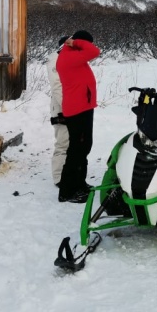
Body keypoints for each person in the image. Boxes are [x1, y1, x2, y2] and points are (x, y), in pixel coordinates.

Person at [56, 30, 100, 203]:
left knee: (83, 148)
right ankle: (67, 191)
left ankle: (79, 183)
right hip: (77, 110)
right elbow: (94, 51)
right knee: (76, 150)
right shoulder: (68, 56)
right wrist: (74, 42)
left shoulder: (74, 56)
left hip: (84, 107)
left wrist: (76, 44)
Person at [46, 35, 69, 187]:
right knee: (62, 142)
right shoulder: (55, 60)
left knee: (70, 143)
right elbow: (57, 86)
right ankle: (59, 178)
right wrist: (68, 107)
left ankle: (68, 174)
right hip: (61, 107)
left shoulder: (65, 59)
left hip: (69, 106)